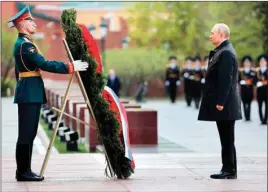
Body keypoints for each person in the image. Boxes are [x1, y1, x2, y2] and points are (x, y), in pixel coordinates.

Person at [8, 5, 89, 182]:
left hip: (29, 92)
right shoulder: (25, 46)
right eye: (31, 20)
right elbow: (44, 64)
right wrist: (70, 67)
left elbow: (19, 71)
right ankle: (23, 171)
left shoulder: (24, 43)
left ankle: (24, 170)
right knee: (26, 134)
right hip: (29, 93)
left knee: (29, 133)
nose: (34, 23)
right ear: (22, 24)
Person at [198, 23, 242, 179]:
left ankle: (229, 170)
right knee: (226, 138)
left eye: (212, 33)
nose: (210, 36)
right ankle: (229, 169)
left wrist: (221, 102)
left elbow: (226, 80)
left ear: (221, 35)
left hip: (226, 104)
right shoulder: (222, 51)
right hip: (225, 103)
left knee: (227, 138)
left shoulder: (226, 53)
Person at [238, 56, 256, 121]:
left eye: (248, 62)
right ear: (244, 63)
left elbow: (254, 80)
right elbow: (238, 79)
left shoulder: (252, 71)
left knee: (249, 103)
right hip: (243, 89)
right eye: (245, 62)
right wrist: (241, 81)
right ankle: (246, 116)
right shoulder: (241, 71)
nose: (247, 64)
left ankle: (248, 116)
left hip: (250, 89)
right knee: (244, 103)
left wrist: (251, 82)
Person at [254, 54, 268, 125]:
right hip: (260, 91)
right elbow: (254, 81)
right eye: (261, 62)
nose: (262, 63)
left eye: (263, 61)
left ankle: (265, 120)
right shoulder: (257, 71)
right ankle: (261, 119)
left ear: (266, 62)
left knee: (266, 106)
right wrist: (257, 83)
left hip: (266, 90)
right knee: (259, 106)